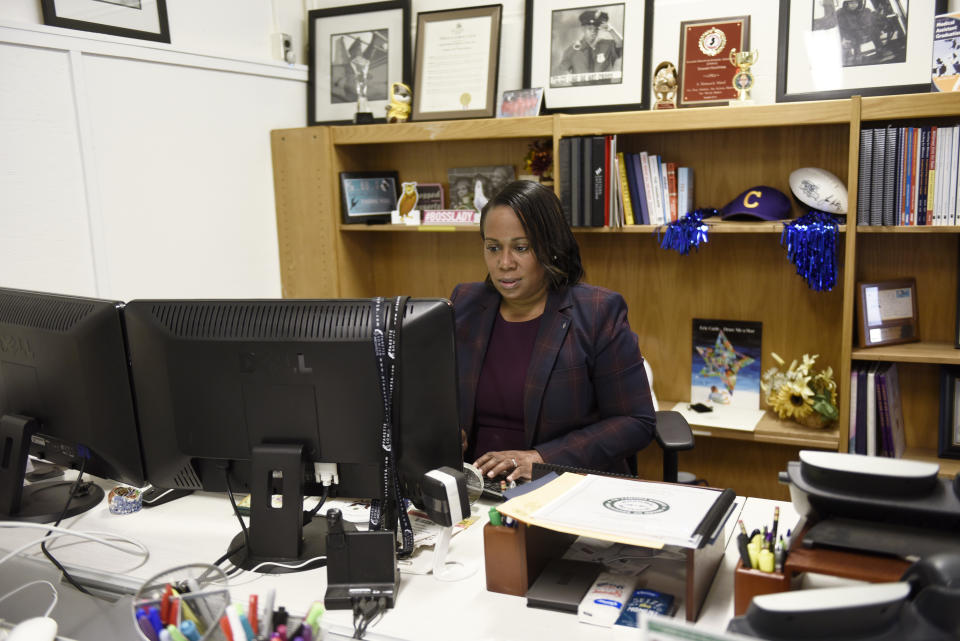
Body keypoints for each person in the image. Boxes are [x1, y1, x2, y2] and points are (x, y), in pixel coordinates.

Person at [450, 180, 656, 482]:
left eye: (521, 248)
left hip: (564, 486)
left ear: (550, 247)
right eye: (493, 247)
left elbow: (636, 422)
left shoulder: (597, 312)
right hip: (478, 488)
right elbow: (435, 395)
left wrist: (543, 458)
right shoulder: (465, 303)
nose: (504, 263)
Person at [553, 10, 623, 85]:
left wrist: (611, 30)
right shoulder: (573, 50)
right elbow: (560, 72)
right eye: (590, 29)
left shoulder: (607, 46)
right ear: (583, 29)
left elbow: (622, 44)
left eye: (596, 29)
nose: (593, 32)